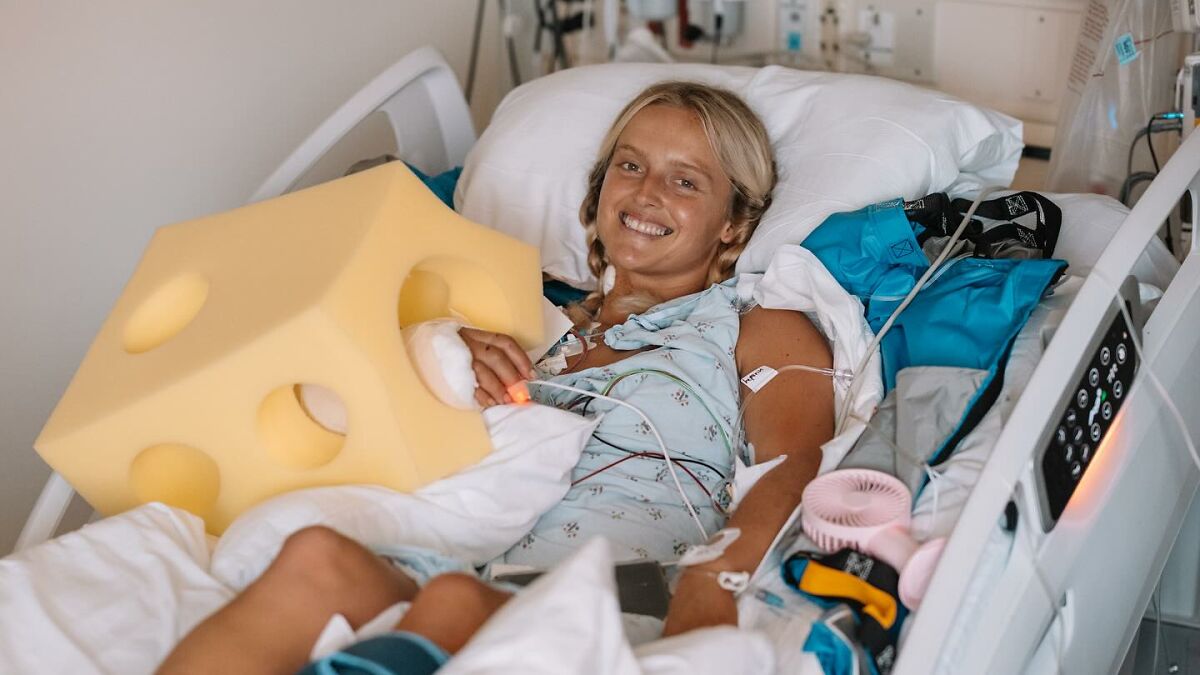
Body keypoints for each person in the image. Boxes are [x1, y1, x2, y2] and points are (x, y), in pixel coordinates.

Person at [158, 81, 834, 674]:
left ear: (734, 223)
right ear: (599, 190)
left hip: (611, 587)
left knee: (451, 605)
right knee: (313, 558)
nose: (647, 192)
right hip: (461, 559)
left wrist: (711, 583)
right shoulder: (522, 315)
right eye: (630, 165)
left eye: (686, 180)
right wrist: (439, 356)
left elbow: (797, 460)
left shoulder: (753, 326)